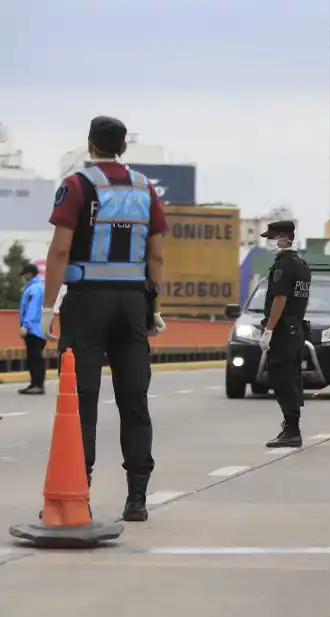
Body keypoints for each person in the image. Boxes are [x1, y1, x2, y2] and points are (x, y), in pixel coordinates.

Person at [43, 115, 168, 522]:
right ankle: (137, 499)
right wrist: (154, 307)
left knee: (83, 400)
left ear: (89, 144)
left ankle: (81, 492)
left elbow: (60, 250)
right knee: (134, 398)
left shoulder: (78, 185)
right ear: (123, 147)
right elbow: (157, 255)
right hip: (132, 303)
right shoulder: (145, 188)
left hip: (87, 302)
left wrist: (48, 308)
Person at [259, 220, 311, 448]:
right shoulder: (302, 263)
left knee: (282, 378)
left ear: (283, 237)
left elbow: (280, 298)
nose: (271, 243)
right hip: (296, 327)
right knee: (291, 377)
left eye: (272, 238)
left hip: (282, 330)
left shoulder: (284, 265)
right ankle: (291, 427)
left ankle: (291, 429)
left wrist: (269, 329)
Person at [18, 263, 46, 395]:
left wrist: (25, 325)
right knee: (32, 358)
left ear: (29, 275)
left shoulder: (34, 289)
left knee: (35, 358)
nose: (22, 278)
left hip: (34, 329)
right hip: (36, 328)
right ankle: (34, 384)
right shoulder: (35, 287)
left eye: (23, 275)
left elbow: (32, 309)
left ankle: (38, 385)